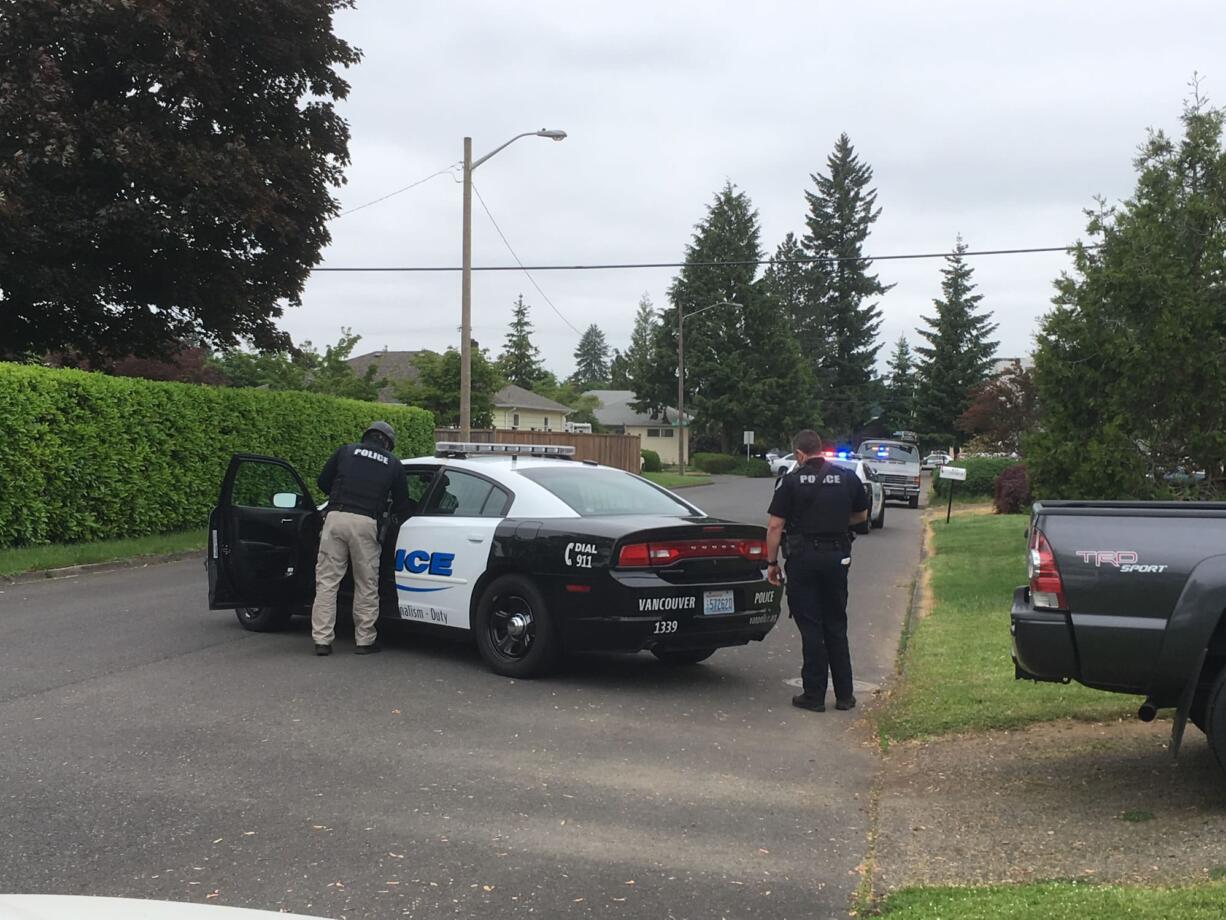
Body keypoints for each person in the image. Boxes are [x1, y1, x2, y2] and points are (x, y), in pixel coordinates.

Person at [765, 429, 869, 712]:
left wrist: (771, 563)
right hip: (837, 557)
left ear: (799, 453)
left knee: (811, 626)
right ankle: (845, 695)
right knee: (835, 623)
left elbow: (775, 526)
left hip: (803, 559)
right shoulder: (847, 478)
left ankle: (814, 694)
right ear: (820, 449)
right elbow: (861, 515)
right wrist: (836, 521)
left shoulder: (790, 482)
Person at [311, 421, 414, 656]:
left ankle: (322, 641)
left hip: (335, 517)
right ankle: (365, 640)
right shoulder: (393, 463)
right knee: (366, 583)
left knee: (327, 583)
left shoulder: (345, 451)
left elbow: (322, 482)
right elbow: (402, 505)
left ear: (365, 437)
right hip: (366, 523)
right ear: (387, 443)